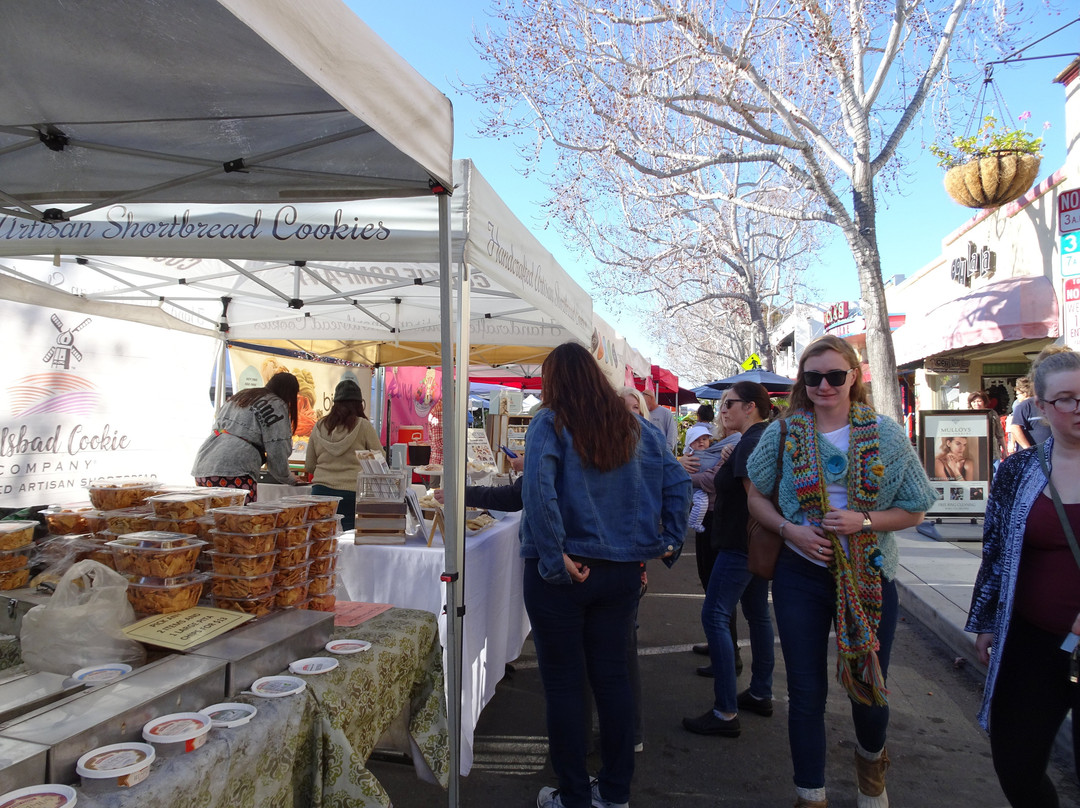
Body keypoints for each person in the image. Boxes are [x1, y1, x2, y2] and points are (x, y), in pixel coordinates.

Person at [745, 334, 936, 808]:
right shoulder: (783, 433)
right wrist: (791, 531)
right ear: (803, 382)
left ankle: (872, 775)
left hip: (869, 574)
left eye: (834, 375)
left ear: (854, 376)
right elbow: (755, 494)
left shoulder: (886, 435)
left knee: (868, 689)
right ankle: (811, 795)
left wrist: (863, 520)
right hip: (801, 575)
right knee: (805, 691)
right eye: (814, 377)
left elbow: (915, 509)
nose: (824, 385)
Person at [522, 342, 690, 808]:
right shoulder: (637, 427)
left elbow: (538, 492)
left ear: (553, 381)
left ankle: (574, 795)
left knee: (564, 684)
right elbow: (678, 482)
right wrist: (668, 541)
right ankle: (614, 793)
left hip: (565, 573)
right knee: (612, 679)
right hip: (619, 573)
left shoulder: (549, 423)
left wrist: (555, 557)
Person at [966, 345, 1080, 807]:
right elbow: (994, 551)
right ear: (1042, 408)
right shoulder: (1019, 471)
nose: (1078, 408)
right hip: (1032, 641)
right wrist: (987, 619)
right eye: (1067, 399)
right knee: (1016, 763)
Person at [682, 381, 775, 739]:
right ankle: (760, 691)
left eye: (730, 404)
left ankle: (724, 711)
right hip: (751, 542)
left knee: (715, 614)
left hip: (740, 542)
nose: (724, 410)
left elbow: (756, 498)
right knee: (756, 614)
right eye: (722, 404)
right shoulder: (757, 440)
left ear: (750, 406)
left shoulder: (751, 442)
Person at [192, 371, 301, 502]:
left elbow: (216, 428)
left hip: (203, 464)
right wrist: (288, 477)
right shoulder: (276, 404)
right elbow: (278, 447)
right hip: (235, 469)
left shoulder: (241, 396)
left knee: (211, 518)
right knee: (239, 519)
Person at [304, 379, 382, 530]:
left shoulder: (319, 426)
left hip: (320, 494)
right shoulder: (363, 426)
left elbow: (309, 465)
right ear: (360, 404)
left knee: (323, 544)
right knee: (349, 544)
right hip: (353, 494)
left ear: (335, 403)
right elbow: (380, 459)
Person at [683, 424, 725, 533]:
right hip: (696, 489)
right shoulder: (689, 456)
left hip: (703, 487)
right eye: (696, 440)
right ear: (690, 443)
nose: (701, 442)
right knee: (701, 502)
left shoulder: (713, 453)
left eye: (704, 439)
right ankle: (694, 522)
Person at [1010, 375, 1051, 451]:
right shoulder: (1023, 406)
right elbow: (1015, 428)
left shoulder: (1048, 404)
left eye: (1017, 394)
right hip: (1032, 455)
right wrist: (1028, 450)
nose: (1017, 397)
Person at [968, 390, 1007, 461]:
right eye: (974, 402)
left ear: (984, 402)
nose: (976, 404)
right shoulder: (967, 415)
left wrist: (1005, 450)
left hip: (993, 452)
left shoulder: (992, 413)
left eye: (979, 401)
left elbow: (1000, 433)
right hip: (974, 454)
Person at [641, 387, 677, 452]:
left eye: (644, 401)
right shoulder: (642, 413)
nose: (643, 404)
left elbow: (672, 434)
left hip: (662, 452)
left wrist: (667, 451)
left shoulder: (665, 413)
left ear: (651, 398)